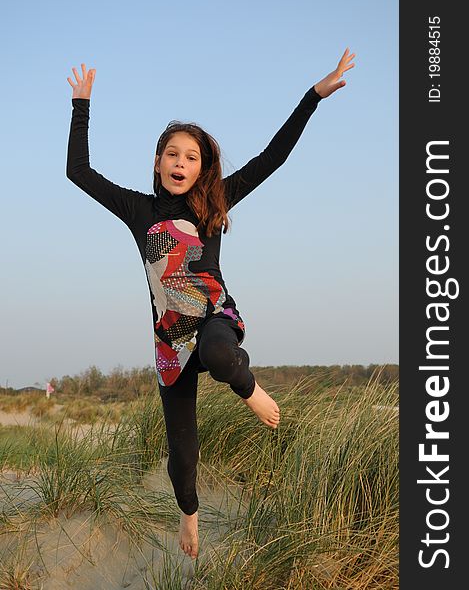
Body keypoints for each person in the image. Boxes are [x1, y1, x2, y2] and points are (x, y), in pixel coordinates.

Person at [66, 48, 355, 560]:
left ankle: (251, 390)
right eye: (173, 154)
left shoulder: (214, 201)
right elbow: (79, 172)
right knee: (182, 457)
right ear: (158, 162)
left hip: (214, 317)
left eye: (192, 157)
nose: (181, 162)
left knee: (222, 358)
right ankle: (190, 519)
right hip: (170, 341)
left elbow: (273, 157)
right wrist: (81, 106)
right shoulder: (139, 210)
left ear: (203, 169)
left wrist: (314, 96)